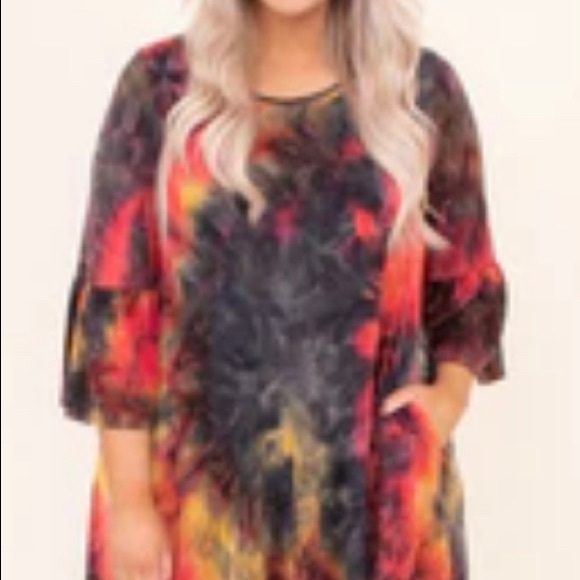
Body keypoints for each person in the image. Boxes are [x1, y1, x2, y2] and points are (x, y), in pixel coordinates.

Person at [60, 1, 508, 578]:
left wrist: (445, 403)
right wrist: (130, 505)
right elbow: (118, 310)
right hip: (197, 515)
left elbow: (466, 278)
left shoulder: (419, 92)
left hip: (377, 510)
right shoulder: (159, 89)